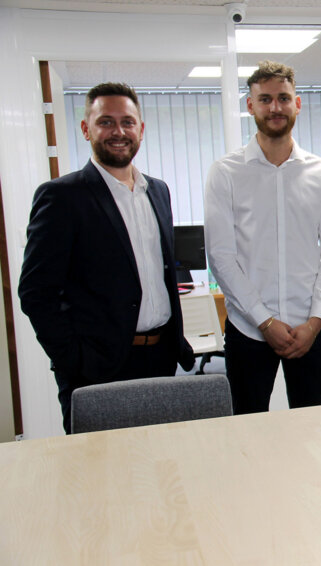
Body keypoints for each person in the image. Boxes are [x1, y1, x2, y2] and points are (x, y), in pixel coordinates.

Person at [19, 82, 195, 434]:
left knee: (162, 464)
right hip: (96, 367)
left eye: (128, 122)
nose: (119, 132)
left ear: (141, 129)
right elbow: (36, 292)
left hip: (160, 358)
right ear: (87, 129)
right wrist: (73, 359)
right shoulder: (62, 197)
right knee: (99, 475)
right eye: (106, 122)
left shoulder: (158, 191)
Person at [204, 60, 321, 415]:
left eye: (283, 98)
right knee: (247, 436)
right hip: (249, 331)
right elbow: (221, 256)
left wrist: (315, 323)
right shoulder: (226, 173)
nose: (275, 107)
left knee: (312, 428)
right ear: (250, 106)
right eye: (265, 99)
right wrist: (264, 322)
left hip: (310, 329)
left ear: (297, 104)